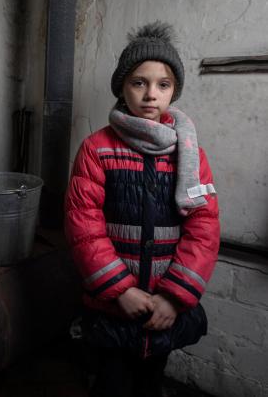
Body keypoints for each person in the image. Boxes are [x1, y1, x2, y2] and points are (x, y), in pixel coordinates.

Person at [64, 22, 220, 397]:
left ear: (173, 91)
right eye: (139, 82)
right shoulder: (96, 149)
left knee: (150, 384)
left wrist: (172, 296)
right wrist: (120, 290)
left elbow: (204, 226)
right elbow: (83, 225)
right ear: (122, 86)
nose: (151, 94)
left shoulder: (191, 155)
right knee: (111, 384)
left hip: (163, 307)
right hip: (114, 306)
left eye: (163, 85)